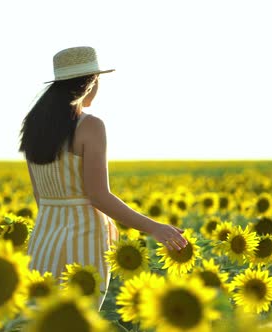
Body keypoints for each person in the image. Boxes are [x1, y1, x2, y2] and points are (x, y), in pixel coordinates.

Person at [18, 46, 188, 310]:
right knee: (77, 321)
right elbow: (98, 196)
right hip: (82, 239)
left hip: (43, 238)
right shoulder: (90, 126)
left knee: (38, 320)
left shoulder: (33, 125)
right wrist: (154, 227)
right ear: (91, 83)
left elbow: (40, 195)